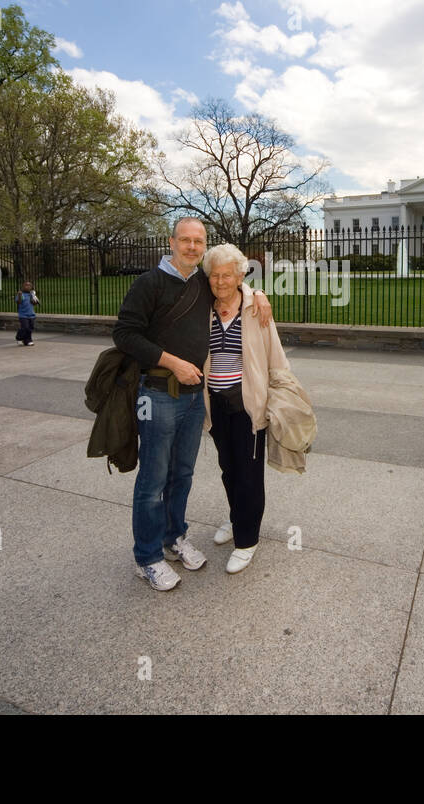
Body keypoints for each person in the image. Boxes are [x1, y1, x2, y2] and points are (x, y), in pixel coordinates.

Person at [111, 217, 272, 592]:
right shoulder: (148, 283)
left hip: (195, 400)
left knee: (182, 475)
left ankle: (173, 538)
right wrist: (171, 361)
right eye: (185, 240)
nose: (192, 247)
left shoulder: (201, 282)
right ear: (171, 242)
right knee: (152, 481)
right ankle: (147, 557)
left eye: (198, 241)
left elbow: (230, 282)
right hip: (157, 394)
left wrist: (257, 294)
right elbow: (124, 333)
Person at [200, 244, 297, 574]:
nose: (220, 281)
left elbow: (276, 356)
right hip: (215, 404)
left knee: (249, 473)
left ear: (241, 275)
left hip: (248, 404)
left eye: (227, 274)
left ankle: (247, 539)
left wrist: (281, 399)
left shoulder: (257, 308)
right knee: (228, 468)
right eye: (214, 275)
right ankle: (235, 517)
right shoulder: (204, 307)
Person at [15, 282, 39, 346]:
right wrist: (19, 295)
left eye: (29, 285)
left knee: (30, 328)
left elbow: (35, 303)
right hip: (23, 315)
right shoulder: (21, 294)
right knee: (24, 327)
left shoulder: (32, 294)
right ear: (22, 287)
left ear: (31, 287)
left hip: (31, 314)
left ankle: (28, 340)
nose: (27, 287)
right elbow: (18, 302)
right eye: (26, 285)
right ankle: (19, 338)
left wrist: (32, 296)